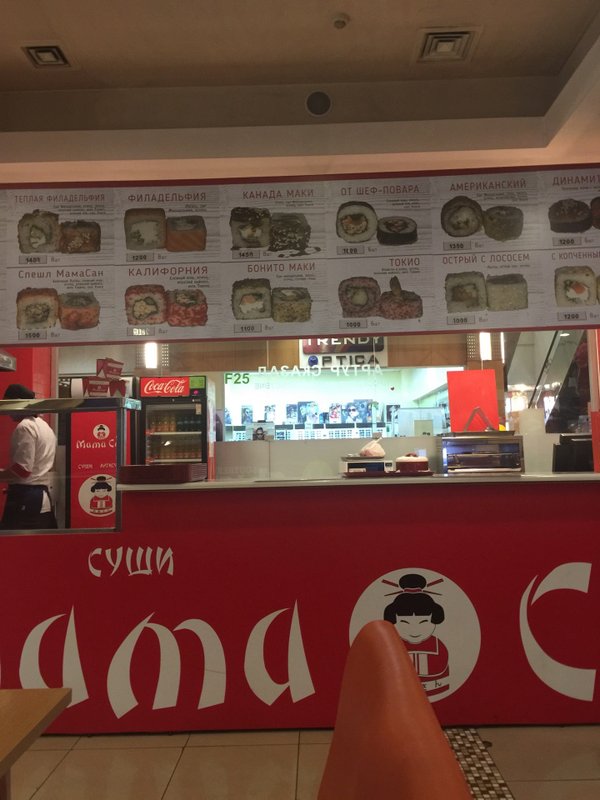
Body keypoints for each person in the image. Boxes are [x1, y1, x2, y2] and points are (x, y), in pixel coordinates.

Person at [0, 383, 57, 530]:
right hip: (42, 495)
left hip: (26, 497)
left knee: (17, 542)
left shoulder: (25, 427)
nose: (6, 410)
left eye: (7, 404)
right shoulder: (45, 426)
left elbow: (22, 470)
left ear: (19, 403)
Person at [383, 573, 449, 697]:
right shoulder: (391, 645)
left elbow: (440, 666)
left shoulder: (437, 645)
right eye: (404, 622)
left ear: (434, 620)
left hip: (436, 689)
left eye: (423, 622)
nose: (414, 631)